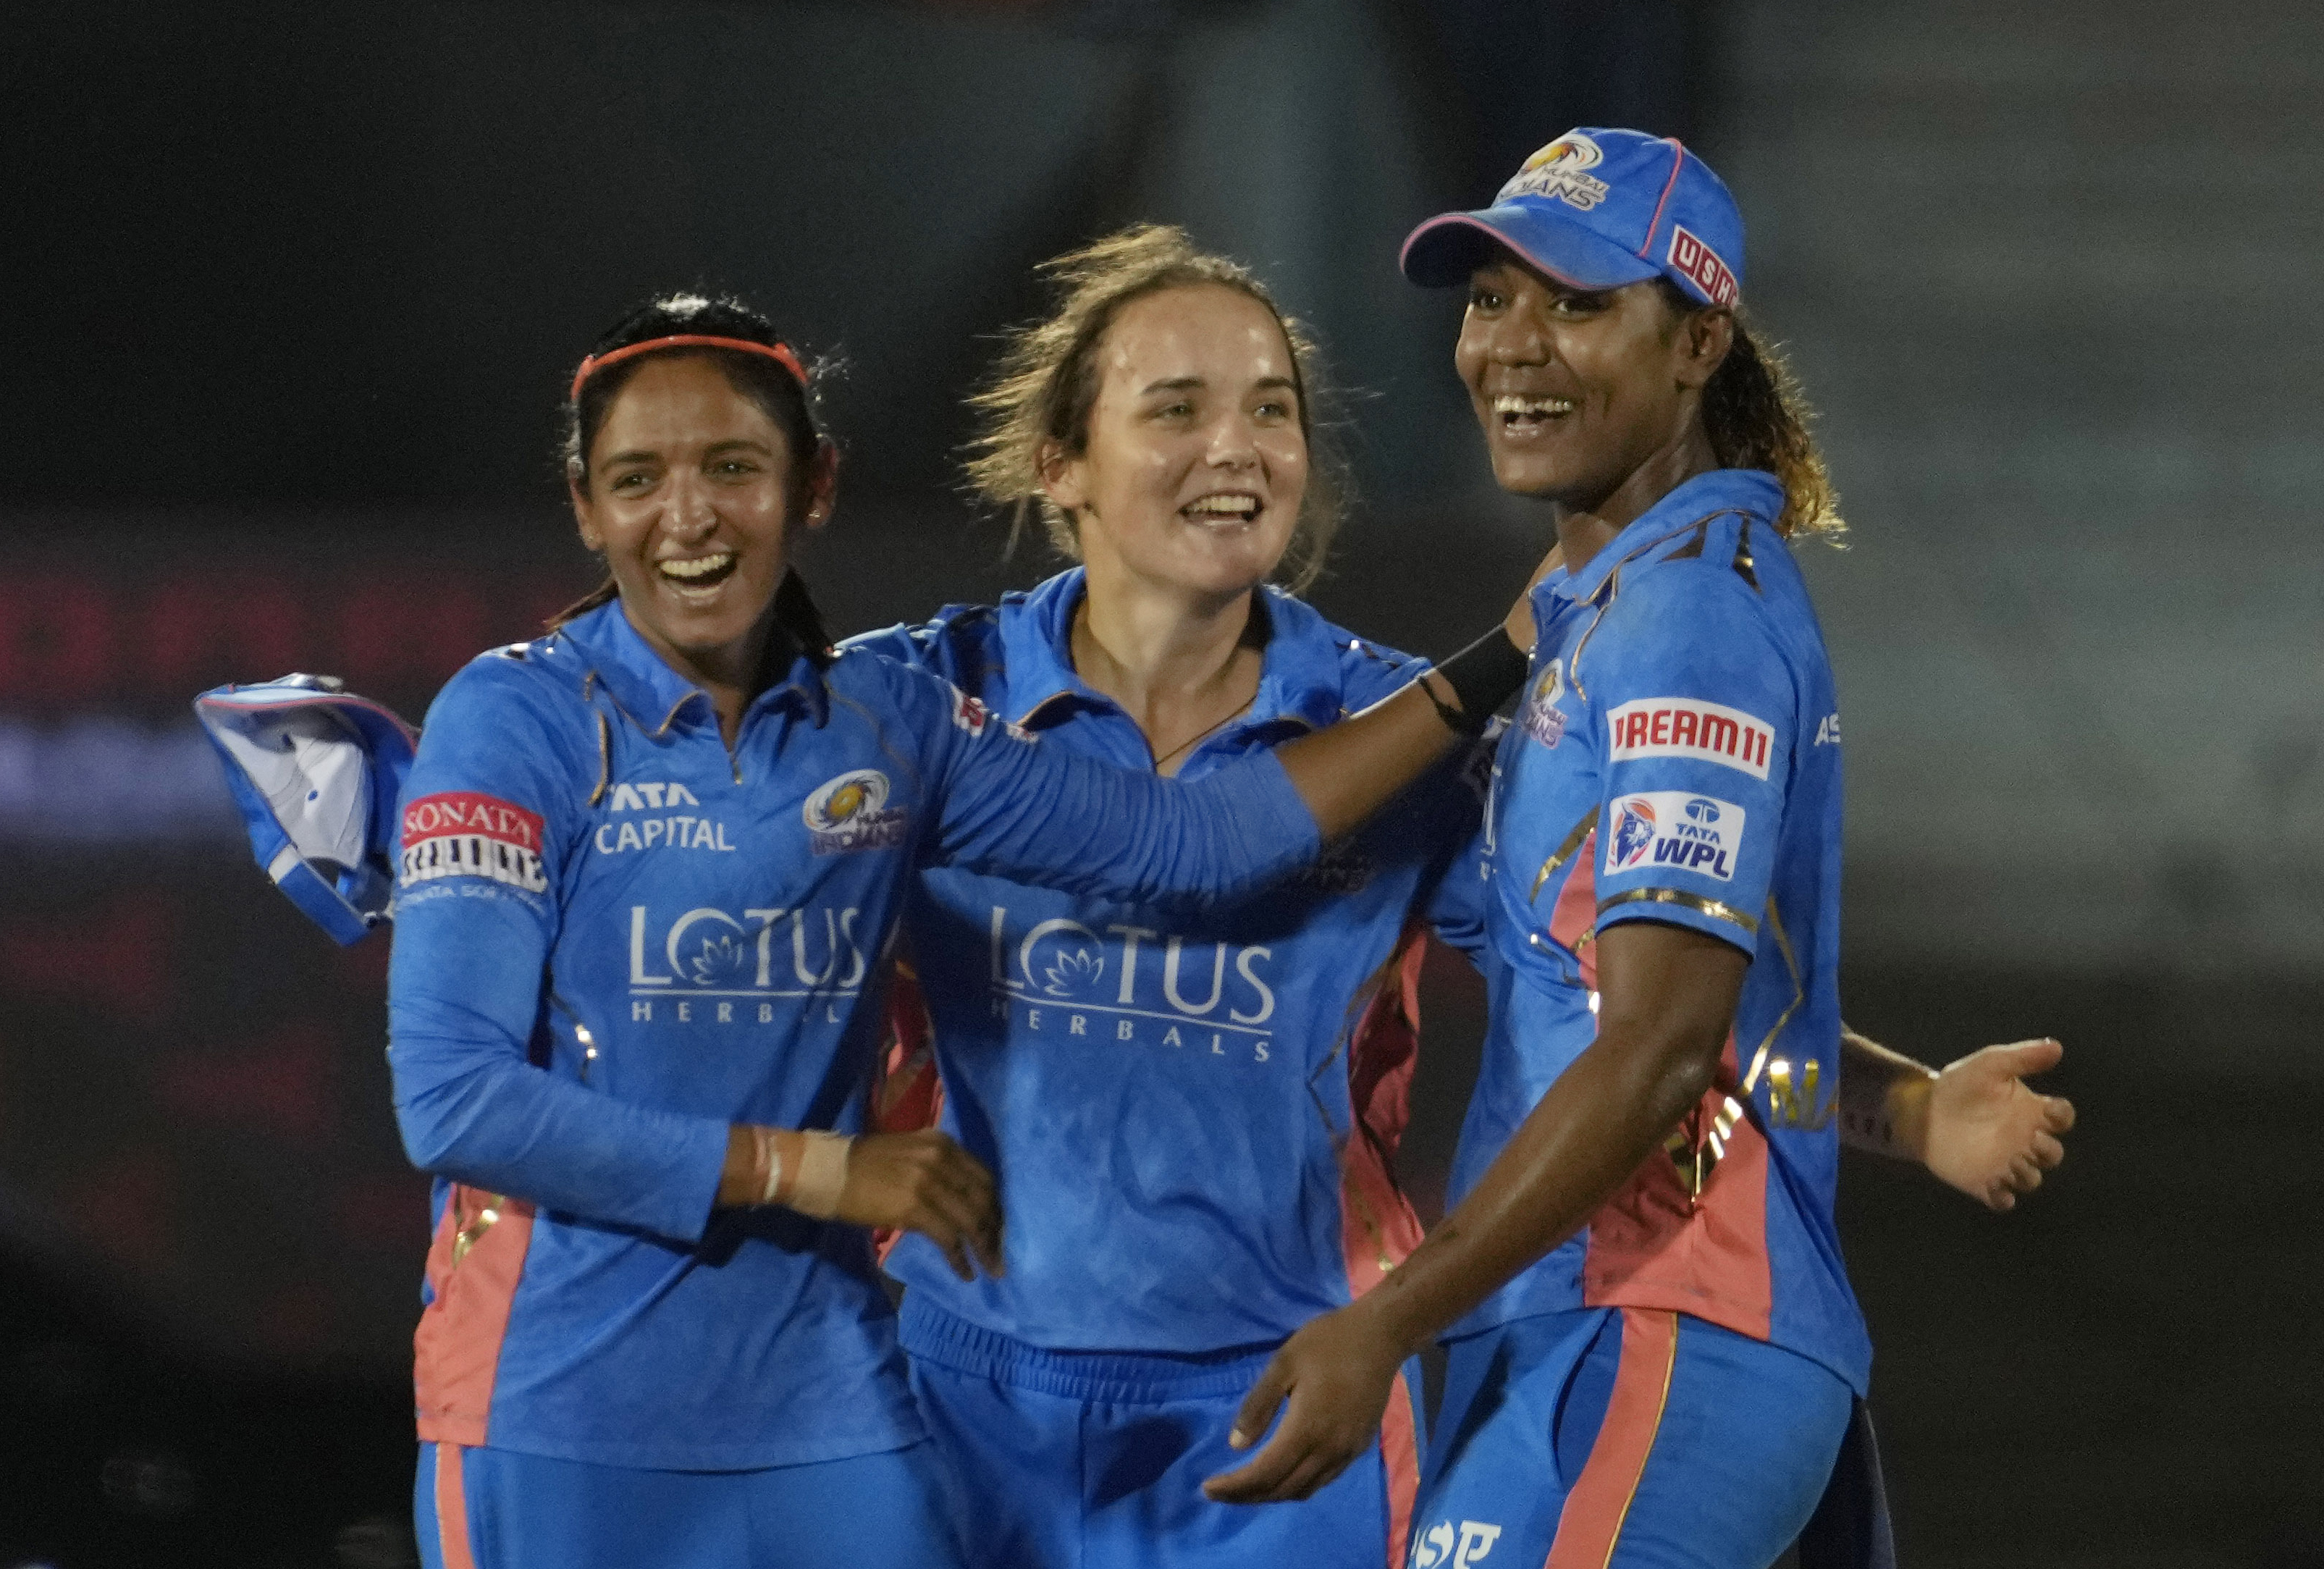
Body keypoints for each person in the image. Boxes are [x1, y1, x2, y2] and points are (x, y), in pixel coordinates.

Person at [391, 292, 1533, 1569]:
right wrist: (816, 1170)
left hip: (912, 1410)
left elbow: (1193, 847)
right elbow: (453, 1099)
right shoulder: (535, 716)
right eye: (638, 479)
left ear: (814, 485)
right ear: (585, 507)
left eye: (735, 468)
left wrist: (1500, 660)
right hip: (621, 1403)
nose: (691, 515)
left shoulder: (893, 724)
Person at [1196, 130, 2074, 1569]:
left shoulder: (1683, 621)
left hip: (1657, 1322)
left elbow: (1660, 1048)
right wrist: (1903, 1109)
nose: (1511, 344)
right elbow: (1689, 1006)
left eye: (1578, 303)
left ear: (1698, 342)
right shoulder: (1612, 598)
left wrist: (1388, 1317)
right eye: (1491, 298)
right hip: (1603, 1330)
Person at [844, 227, 1485, 1569]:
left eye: (1271, 410)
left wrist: (1885, 1101)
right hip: (958, 1404)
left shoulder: (1402, 734)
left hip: (1285, 1412)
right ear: (1059, 464)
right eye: (1176, 409)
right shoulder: (919, 697)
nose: (1235, 448)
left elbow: (1639, 988)